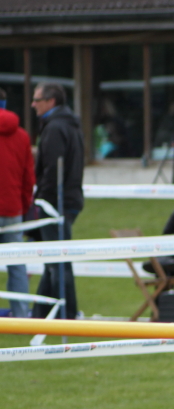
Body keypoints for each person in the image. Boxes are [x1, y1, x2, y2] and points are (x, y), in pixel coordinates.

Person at [30, 82, 84, 321]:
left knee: (58, 261)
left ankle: (67, 315)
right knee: (53, 259)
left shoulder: (54, 128)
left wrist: (42, 198)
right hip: (68, 198)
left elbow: (52, 170)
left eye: (37, 100)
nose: (33, 104)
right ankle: (41, 312)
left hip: (55, 202)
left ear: (51, 101)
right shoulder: (69, 124)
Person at [0, 87, 35, 318]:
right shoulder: (22, 136)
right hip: (13, 209)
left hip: (13, 206)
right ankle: (22, 317)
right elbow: (28, 178)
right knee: (17, 264)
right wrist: (23, 206)